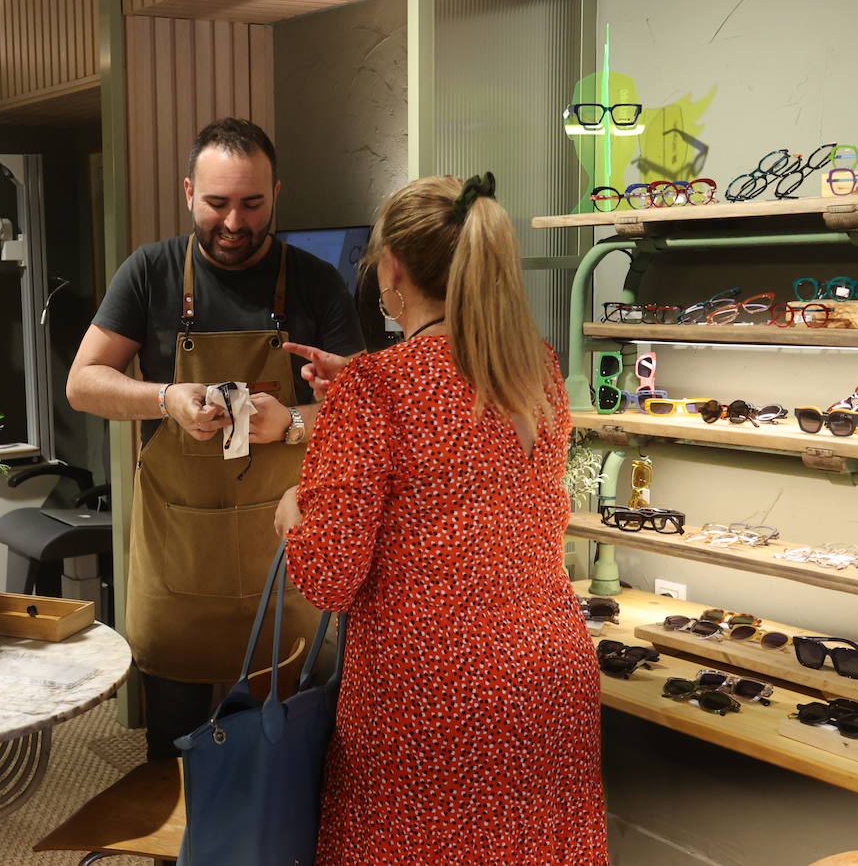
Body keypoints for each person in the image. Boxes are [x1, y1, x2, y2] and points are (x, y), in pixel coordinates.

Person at [276, 173, 609, 864]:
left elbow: (329, 578)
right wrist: (363, 397)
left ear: (393, 269)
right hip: (547, 674)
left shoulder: (379, 390)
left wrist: (291, 512)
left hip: (431, 694)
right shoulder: (537, 370)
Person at [66, 117, 365, 760]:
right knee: (170, 754)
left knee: (280, 759)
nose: (235, 223)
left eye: (253, 204)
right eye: (218, 203)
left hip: (283, 563)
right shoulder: (148, 273)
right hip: (180, 563)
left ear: (276, 193)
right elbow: (83, 384)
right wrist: (164, 398)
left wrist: (290, 423)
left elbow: (367, 412)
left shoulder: (316, 282)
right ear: (187, 193)